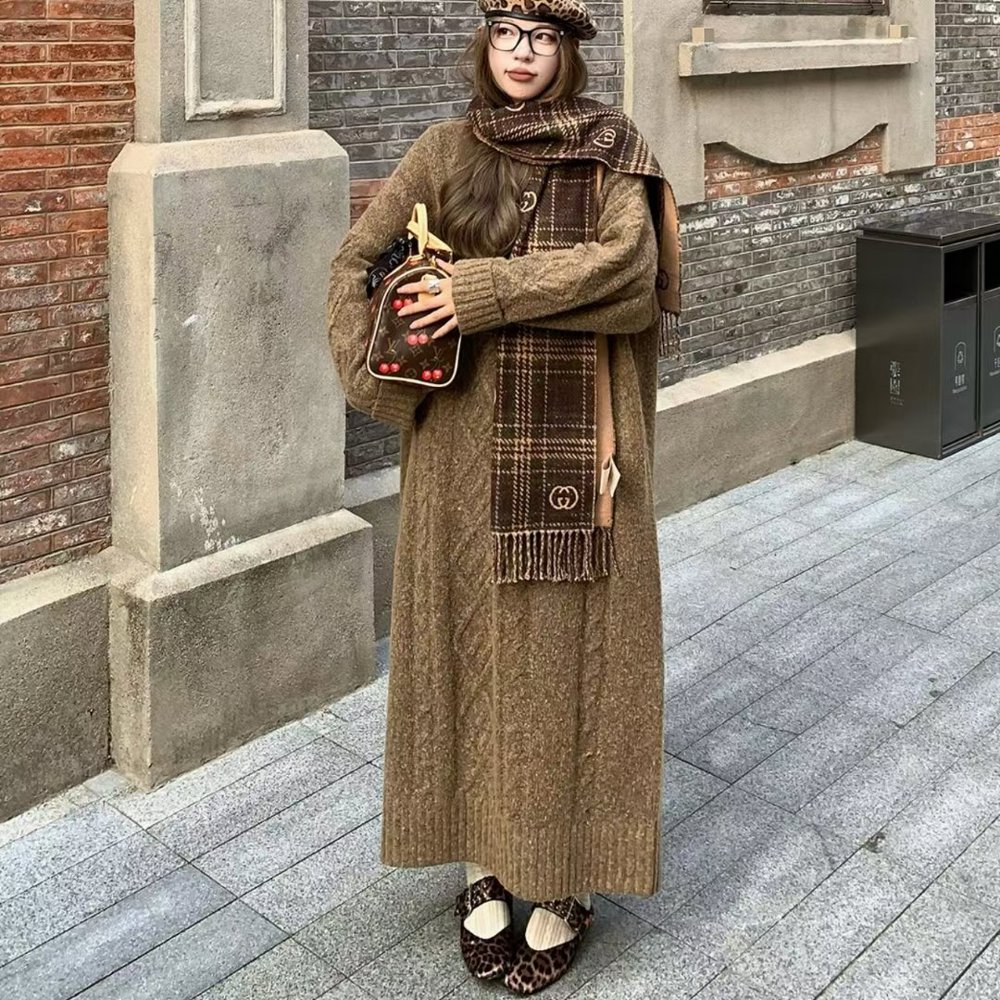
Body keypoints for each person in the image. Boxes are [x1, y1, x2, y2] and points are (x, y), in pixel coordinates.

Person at [326, 0, 682, 993]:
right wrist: (388, 355)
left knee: (572, 666)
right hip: (455, 461)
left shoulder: (613, 151)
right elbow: (353, 264)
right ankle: (480, 862)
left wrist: (478, 293)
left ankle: (566, 879)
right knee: (469, 656)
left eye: (543, 36)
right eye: (507, 34)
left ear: (569, 51)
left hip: (583, 460)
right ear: (486, 44)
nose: (523, 53)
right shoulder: (445, 150)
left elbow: (627, 274)